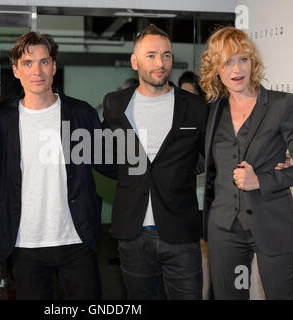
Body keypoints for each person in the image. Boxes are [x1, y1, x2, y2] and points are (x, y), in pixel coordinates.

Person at [0, 32, 116, 300]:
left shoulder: (82, 114)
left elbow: (110, 163)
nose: (37, 71)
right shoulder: (2, 122)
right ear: (15, 70)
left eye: (44, 62)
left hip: (76, 239)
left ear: (54, 67)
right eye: (27, 63)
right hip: (25, 243)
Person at [199, 26, 293, 299]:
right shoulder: (212, 111)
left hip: (273, 225)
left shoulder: (281, 104)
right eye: (227, 61)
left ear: (252, 62)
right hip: (224, 229)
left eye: (243, 58)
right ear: (216, 68)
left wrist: (261, 181)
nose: (236, 68)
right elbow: (201, 161)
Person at [102, 24, 208, 300]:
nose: (160, 63)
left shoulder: (195, 107)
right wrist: (131, 173)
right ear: (134, 61)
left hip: (181, 233)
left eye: (166, 55)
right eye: (151, 55)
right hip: (133, 233)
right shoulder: (115, 104)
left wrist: (178, 171)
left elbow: (208, 154)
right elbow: (102, 153)